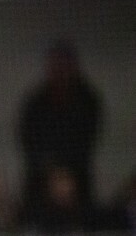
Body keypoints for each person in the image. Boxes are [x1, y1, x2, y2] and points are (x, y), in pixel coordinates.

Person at [17, 40, 102, 220]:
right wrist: (50, 168)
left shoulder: (87, 99)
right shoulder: (36, 100)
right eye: (55, 64)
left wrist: (65, 172)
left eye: (63, 64)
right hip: (41, 171)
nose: (59, 69)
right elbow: (27, 137)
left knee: (80, 210)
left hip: (76, 170)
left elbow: (87, 138)